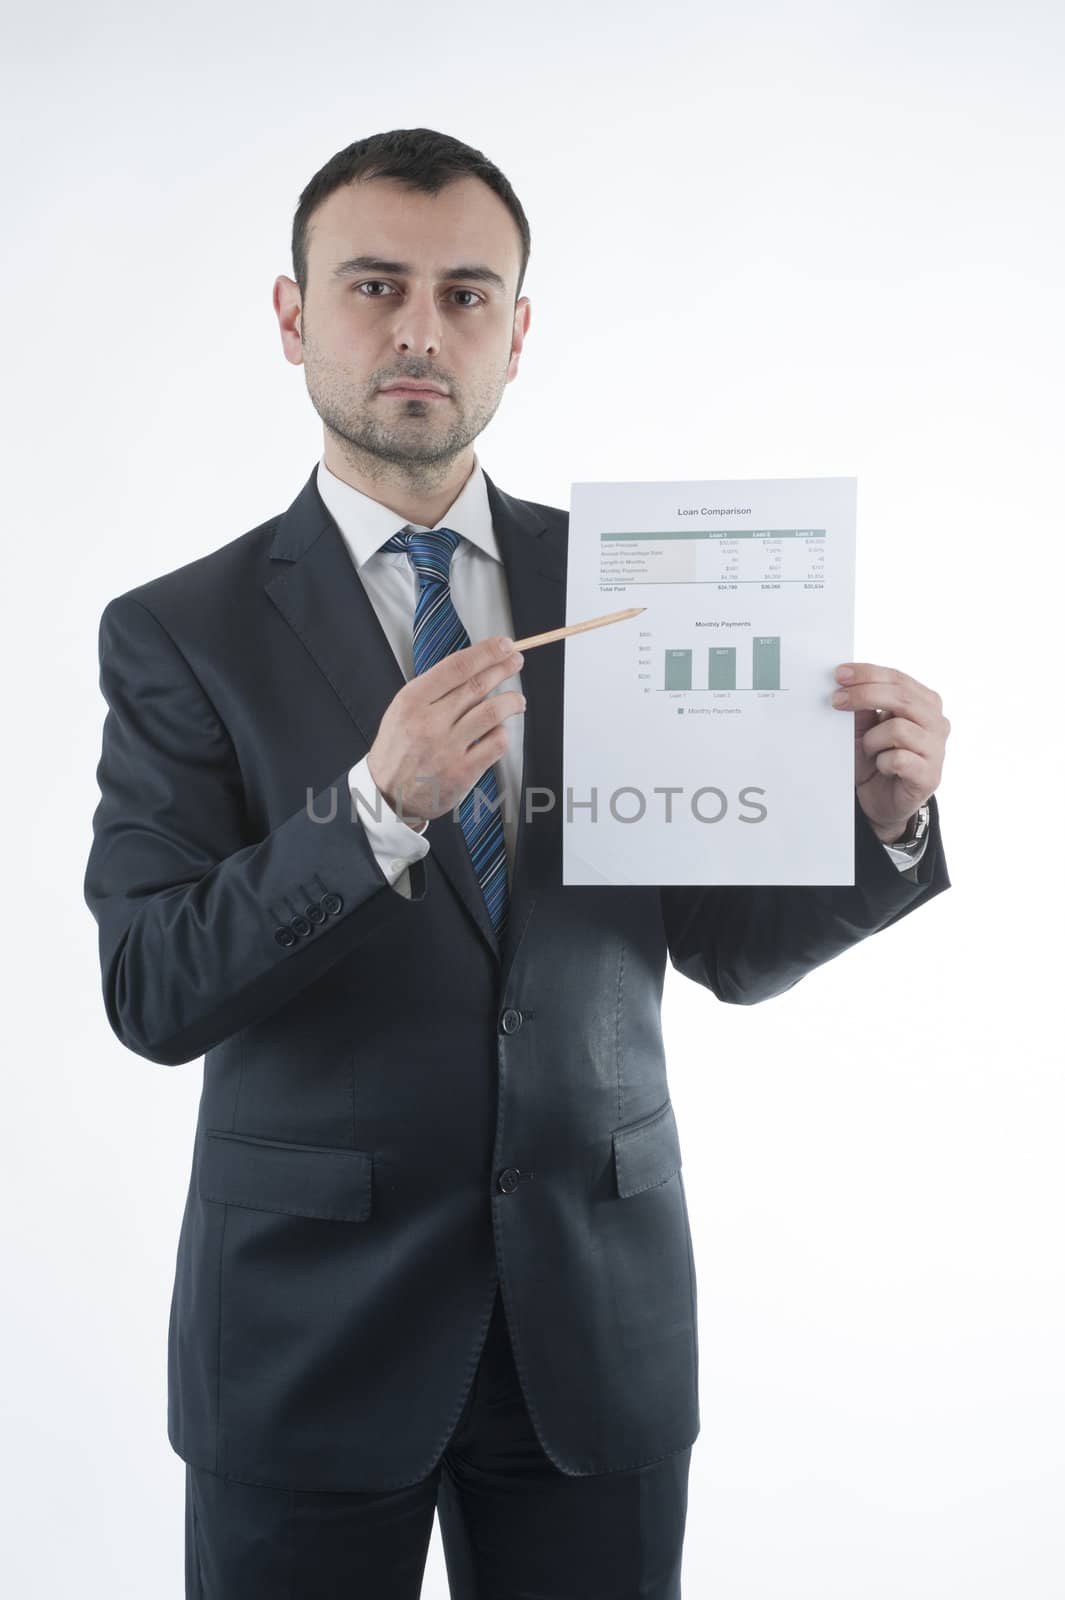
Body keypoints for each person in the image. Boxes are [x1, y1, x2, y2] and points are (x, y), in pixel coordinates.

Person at [83, 127, 952, 1599]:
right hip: (306, 1341)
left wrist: (877, 827)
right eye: (372, 285)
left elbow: (728, 948)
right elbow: (151, 989)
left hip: (593, 1330)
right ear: (292, 317)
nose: (419, 327)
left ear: (518, 332)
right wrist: (370, 808)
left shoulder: (633, 588)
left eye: (466, 293)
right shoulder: (182, 632)